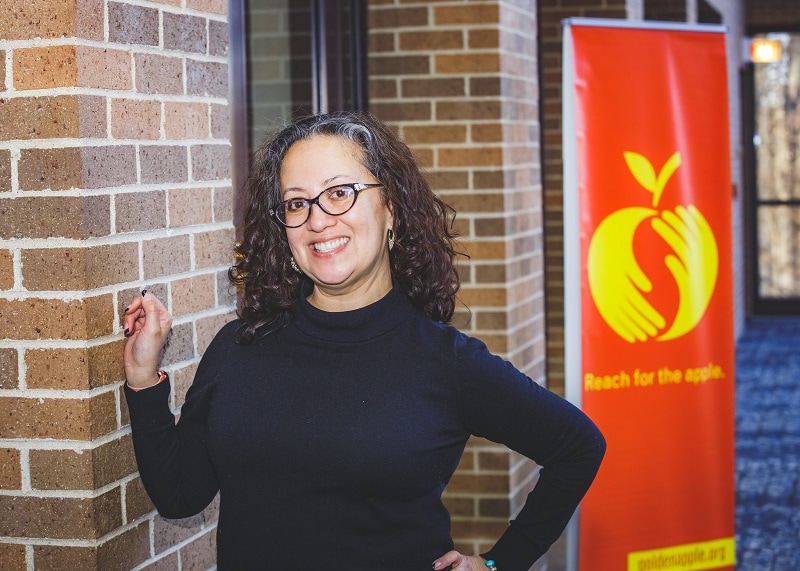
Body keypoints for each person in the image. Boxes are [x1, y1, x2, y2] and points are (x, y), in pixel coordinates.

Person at [123, 111, 605, 571]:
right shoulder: (240, 347)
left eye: (340, 194)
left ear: (390, 208)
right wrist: (144, 378)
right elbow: (180, 495)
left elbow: (579, 447)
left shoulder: (445, 362)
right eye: (297, 203)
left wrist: (501, 561)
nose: (317, 220)